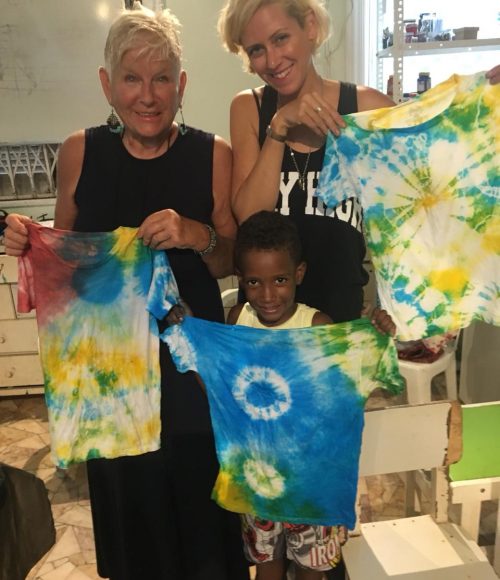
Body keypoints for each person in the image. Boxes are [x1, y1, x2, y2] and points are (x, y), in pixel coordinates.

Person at [4, 4, 249, 580]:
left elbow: (229, 259)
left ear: (181, 83)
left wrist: (197, 234)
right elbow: (63, 259)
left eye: (162, 77)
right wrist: (29, 242)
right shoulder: (79, 153)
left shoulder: (212, 155)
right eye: (132, 78)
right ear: (106, 84)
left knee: (204, 530)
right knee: (133, 534)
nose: (148, 94)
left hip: (190, 377)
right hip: (107, 382)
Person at [217, 0, 500, 326]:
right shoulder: (250, 109)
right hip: (264, 330)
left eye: (280, 38)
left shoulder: (367, 107)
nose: (272, 60)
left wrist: (481, 105)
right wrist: (279, 127)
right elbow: (250, 217)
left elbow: (433, 192)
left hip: (343, 327)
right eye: (256, 49)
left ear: (309, 26)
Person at [225, 210, 395, 580]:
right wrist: (188, 339)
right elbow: (221, 385)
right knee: (266, 569)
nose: (268, 295)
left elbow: (345, 390)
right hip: (258, 478)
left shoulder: (318, 327)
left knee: (310, 573)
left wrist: (376, 335)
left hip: (312, 482)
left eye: (280, 280)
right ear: (241, 280)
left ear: (299, 274)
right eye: (254, 282)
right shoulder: (238, 321)